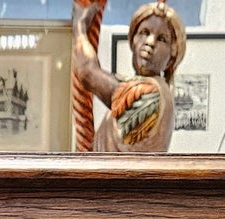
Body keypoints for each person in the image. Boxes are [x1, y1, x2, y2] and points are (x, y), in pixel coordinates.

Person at [72, 0, 187, 154]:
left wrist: (79, 28)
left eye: (161, 39)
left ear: (172, 55)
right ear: (133, 40)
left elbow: (87, 72)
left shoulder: (150, 92)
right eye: (144, 32)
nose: (150, 42)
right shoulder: (151, 88)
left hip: (119, 178)